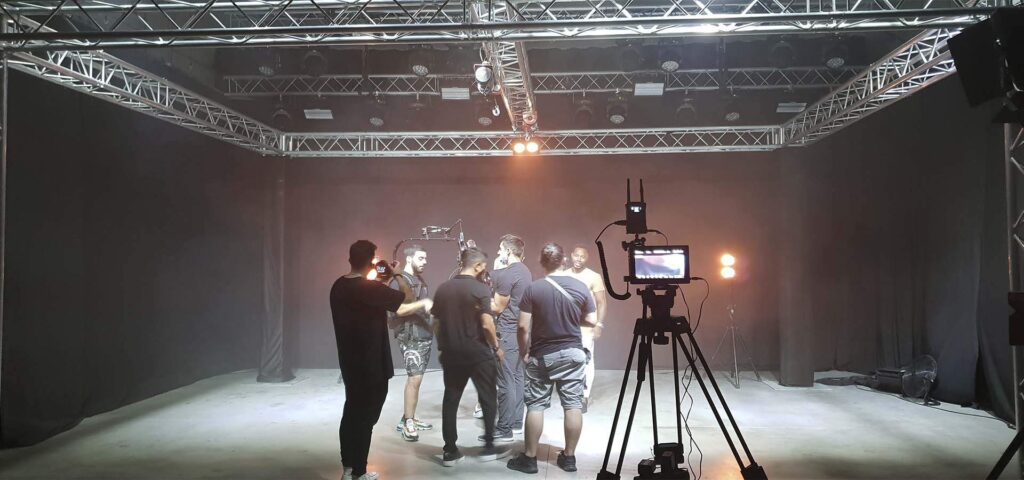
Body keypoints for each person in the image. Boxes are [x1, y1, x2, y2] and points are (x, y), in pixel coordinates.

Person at [330, 240, 432, 480]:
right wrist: (397, 275)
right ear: (370, 262)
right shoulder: (370, 289)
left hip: (350, 362)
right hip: (372, 364)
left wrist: (382, 281)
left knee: (351, 412)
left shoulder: (338, 286)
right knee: (366, 418)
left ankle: (348, 469)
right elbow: (406, 301)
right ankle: (359, 472)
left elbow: (371, 299)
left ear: (350, 259)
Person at [507, 242, 597, 474]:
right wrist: (570, 318)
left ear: (541, 262)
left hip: (542, 355)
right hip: (573, 354)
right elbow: (591, 320)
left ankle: (529, 459)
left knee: (535, 405)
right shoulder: (579, 286)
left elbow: (522, 327)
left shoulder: (533, 289)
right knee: (573, 405)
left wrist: (523, 351)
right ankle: (569, 458)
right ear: (564, 260)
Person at [432, 248, 506, 466]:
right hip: (478, 354)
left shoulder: (443, 288)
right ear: (477, 265)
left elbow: (437, 324)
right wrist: (496, 346)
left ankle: (450, 451)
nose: (485, 270)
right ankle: (489, 447)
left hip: (451, 353)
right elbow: (487, 323)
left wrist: (442, 346)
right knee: (488, 398)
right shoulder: (480, 289)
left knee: (451, 399)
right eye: (484, 266)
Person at [486, 234, 532, 444]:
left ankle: (504, 428)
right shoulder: (525, 271)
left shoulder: (508, 274)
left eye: (500, 249)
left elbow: (497, 307)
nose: (498, 253)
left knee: (505, 380)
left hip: (507, 331)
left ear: (508, 251)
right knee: (517, 377)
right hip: (521, 331)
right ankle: (516, 422)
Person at [387, 244, 434, 442]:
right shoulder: (398, 282)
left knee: (417, 379)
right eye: (421, 258)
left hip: (423, 335)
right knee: (414, 379)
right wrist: (423, 304)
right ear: (409, 259)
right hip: (410, 336)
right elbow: (397, 310)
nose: (425, 262)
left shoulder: (418, 279)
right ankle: (408, 423)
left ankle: (409, 417)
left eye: (426, 258)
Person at [567, 245, 607, 411]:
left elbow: (602, 302)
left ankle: (584, 396)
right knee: (569, 361)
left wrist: (599, 324)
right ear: (571, 255)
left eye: (582, 256)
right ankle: (571, 393)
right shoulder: (564, 275)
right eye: (576, 255)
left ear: (587, 258)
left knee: (586, 361)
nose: (579, 259)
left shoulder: (594, 276)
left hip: (586, 327)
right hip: (567, 326)